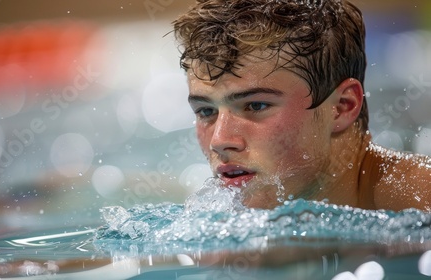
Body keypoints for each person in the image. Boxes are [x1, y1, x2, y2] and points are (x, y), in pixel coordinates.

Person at [172, 0, 431, 212]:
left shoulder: (420, 201)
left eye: (255, 105)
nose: (220, 140)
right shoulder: (214, 225)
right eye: (206, 111)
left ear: (342, 106)